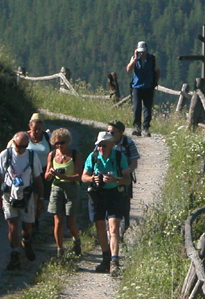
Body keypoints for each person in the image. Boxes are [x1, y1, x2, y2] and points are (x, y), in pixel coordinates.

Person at [81, 131, 130, 274]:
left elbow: (127, 179)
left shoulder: (119, 157)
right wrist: (93, 179)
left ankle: (114, 260)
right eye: (99, 145)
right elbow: (83, 176)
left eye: (103, 145)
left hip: (114, 194)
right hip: (97, 194)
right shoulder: (93, 156)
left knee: (113, 227)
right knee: (100, 226)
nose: (101, 148)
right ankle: (105, 258)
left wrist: (115, 180)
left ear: (111, 145)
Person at [0, 131, 44, 270]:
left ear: (27, 145)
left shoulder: (32, 157)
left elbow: (38, 179)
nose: (20, 149)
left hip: (26, 195)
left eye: (23, 146)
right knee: (12, 226)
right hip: (8, 194)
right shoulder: (5, 155)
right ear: (13, 142)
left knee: (27, 227)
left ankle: (26, 241)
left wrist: (40, 198)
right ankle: (14, 254)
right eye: (17, 145)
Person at [44, 127, 82, 259]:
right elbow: (46, 176)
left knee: (70, 223)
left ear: (67, 142)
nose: (59, 146)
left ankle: (76, 239)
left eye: (62, 143)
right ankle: (60, 250)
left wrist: (65, 177)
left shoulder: (75, 155)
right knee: (58, 222)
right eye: (57, 143)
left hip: (71, 188)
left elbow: (79, 176)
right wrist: (51, 174)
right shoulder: (52, 155)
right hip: (56, 188)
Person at [107, 121, 140, 237]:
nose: (109, 134)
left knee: (124, 202)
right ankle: (111, 228)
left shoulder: (128, 143)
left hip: (124, 177)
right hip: (108, 177)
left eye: (112, 132)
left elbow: (134, 162)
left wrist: (125, 172)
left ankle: (124, 226)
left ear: (120, 132)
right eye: (108, 131)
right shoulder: (105, 143)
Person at [125, 41, 160, 136]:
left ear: (147, 50)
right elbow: (128, 69)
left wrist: (155, 83)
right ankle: (137, 127)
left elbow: (157, 71)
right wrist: (135, 59)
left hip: (148, 86)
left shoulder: (152, 59)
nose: (142, 53)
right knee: (137, 107)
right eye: (140, 51)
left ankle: (146, 127)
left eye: (143, 51)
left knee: (147, 108)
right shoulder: (134, 59)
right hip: (136, 87)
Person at [26, 113, 51, 235]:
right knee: (32, 198)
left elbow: (54, 152)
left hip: (43, 172)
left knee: (40, 198)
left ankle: (36, 220)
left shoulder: (47, 137)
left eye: (39, 129)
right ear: (30, 126)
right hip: (27, 173)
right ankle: (30, 221)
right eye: (34, 128)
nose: (36, 131)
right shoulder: (24, 137)